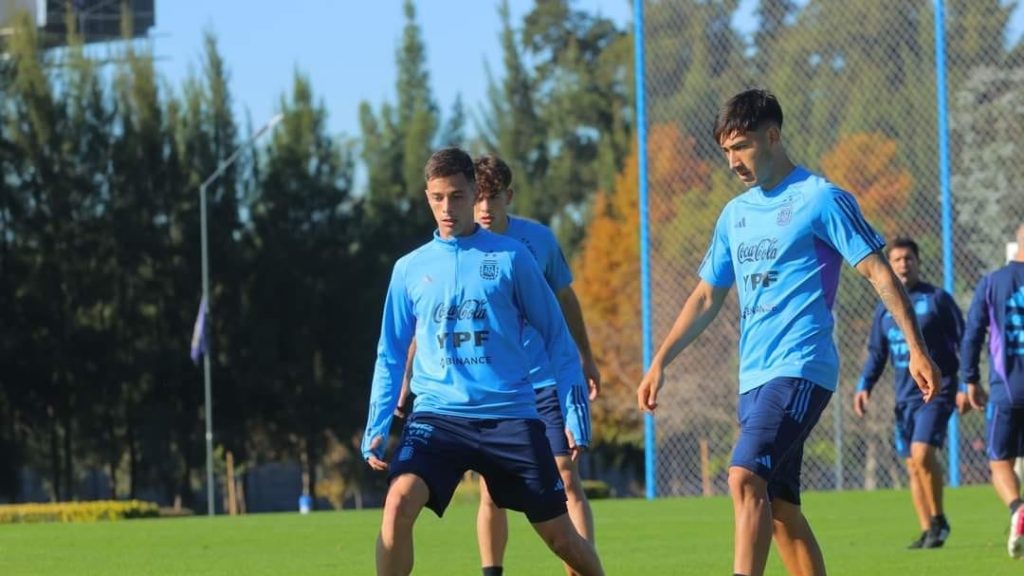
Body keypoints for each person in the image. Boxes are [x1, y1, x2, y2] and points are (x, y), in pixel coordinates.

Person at [636, 89, 942, 576]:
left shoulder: (821, 198)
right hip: (753, 377)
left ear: (773, 136)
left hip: (802, 367)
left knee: (742, 477)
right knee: (780, 510)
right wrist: (660, 361)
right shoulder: (734, 216)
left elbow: (880, 273)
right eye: (726, 151)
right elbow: (705, 297)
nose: (733, 161)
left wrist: (917, 349)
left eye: (742, 147)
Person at [361, 147, 604, 576]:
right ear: (427, 197)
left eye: (456, 196)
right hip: (438, 416)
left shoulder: (512, 257)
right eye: (437, 198)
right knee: (398, 502)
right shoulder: (409, 269)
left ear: (474, 192)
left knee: (561, 537)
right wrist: (378, 424)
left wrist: (574, 408)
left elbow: (557, 338)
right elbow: (391, 352)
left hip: (509, 415)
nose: (447, 208)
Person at [472, 154, 599, 576]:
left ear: (508, 196)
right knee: (492, 489)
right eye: (477, 198)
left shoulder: (539, 241)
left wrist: (586, 358)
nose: (485, 208)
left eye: (492, 198)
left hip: (546, 379)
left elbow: (566, 301)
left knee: (566, 475)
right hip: (496, 386)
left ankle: (581, 568)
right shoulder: (460, 248)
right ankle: (492, 571)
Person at [852, 236, 963, 549]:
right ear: (889, 265)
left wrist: (967, 381)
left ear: (918, 262)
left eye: (908, 259)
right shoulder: (884, 309)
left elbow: (963, 339)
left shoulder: (938, 299)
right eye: (897, 259)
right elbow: (877, 353)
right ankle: (928, 529)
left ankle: (940, 519)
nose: (903, 264)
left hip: (937, 389)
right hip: (904, 395)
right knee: (913, 464)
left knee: (921, 452)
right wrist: (864, 386)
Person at [959, 223, 1024, 559]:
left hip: (1008, 390)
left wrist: (970, 380)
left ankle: (1017, 509)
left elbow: (973, 335)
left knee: (1000, 461)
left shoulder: (992, 283)